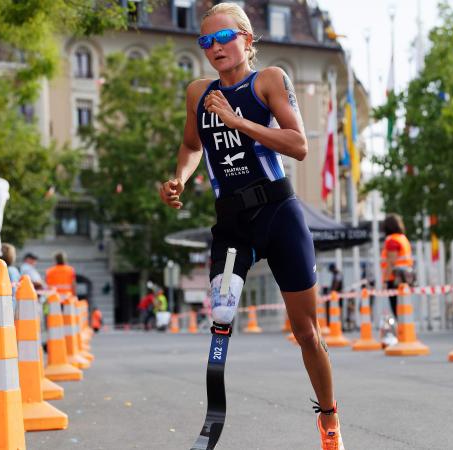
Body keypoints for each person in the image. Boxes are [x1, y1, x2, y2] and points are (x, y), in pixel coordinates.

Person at [158, 4, 343, 447]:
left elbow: (298, 144)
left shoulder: (269, 80)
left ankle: (329, 417)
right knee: (221, 314)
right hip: (233, 223)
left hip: (279, 214)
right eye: (206, 42)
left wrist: (238, 121)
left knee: (306, 333)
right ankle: (212, 420)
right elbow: (190, 145)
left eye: (224, 38)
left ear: (247, 38)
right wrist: (179, 178)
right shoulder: (198, 94)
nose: (215, 48)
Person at [381, 214, 413, 319]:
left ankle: (402, 332)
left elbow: (391, 262)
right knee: (404, 309)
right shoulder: (403, 238)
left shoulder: (392, 240)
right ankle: (405, 332)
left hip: (395, 279)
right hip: (406, 278)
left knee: (397, 310)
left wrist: (385, 280)